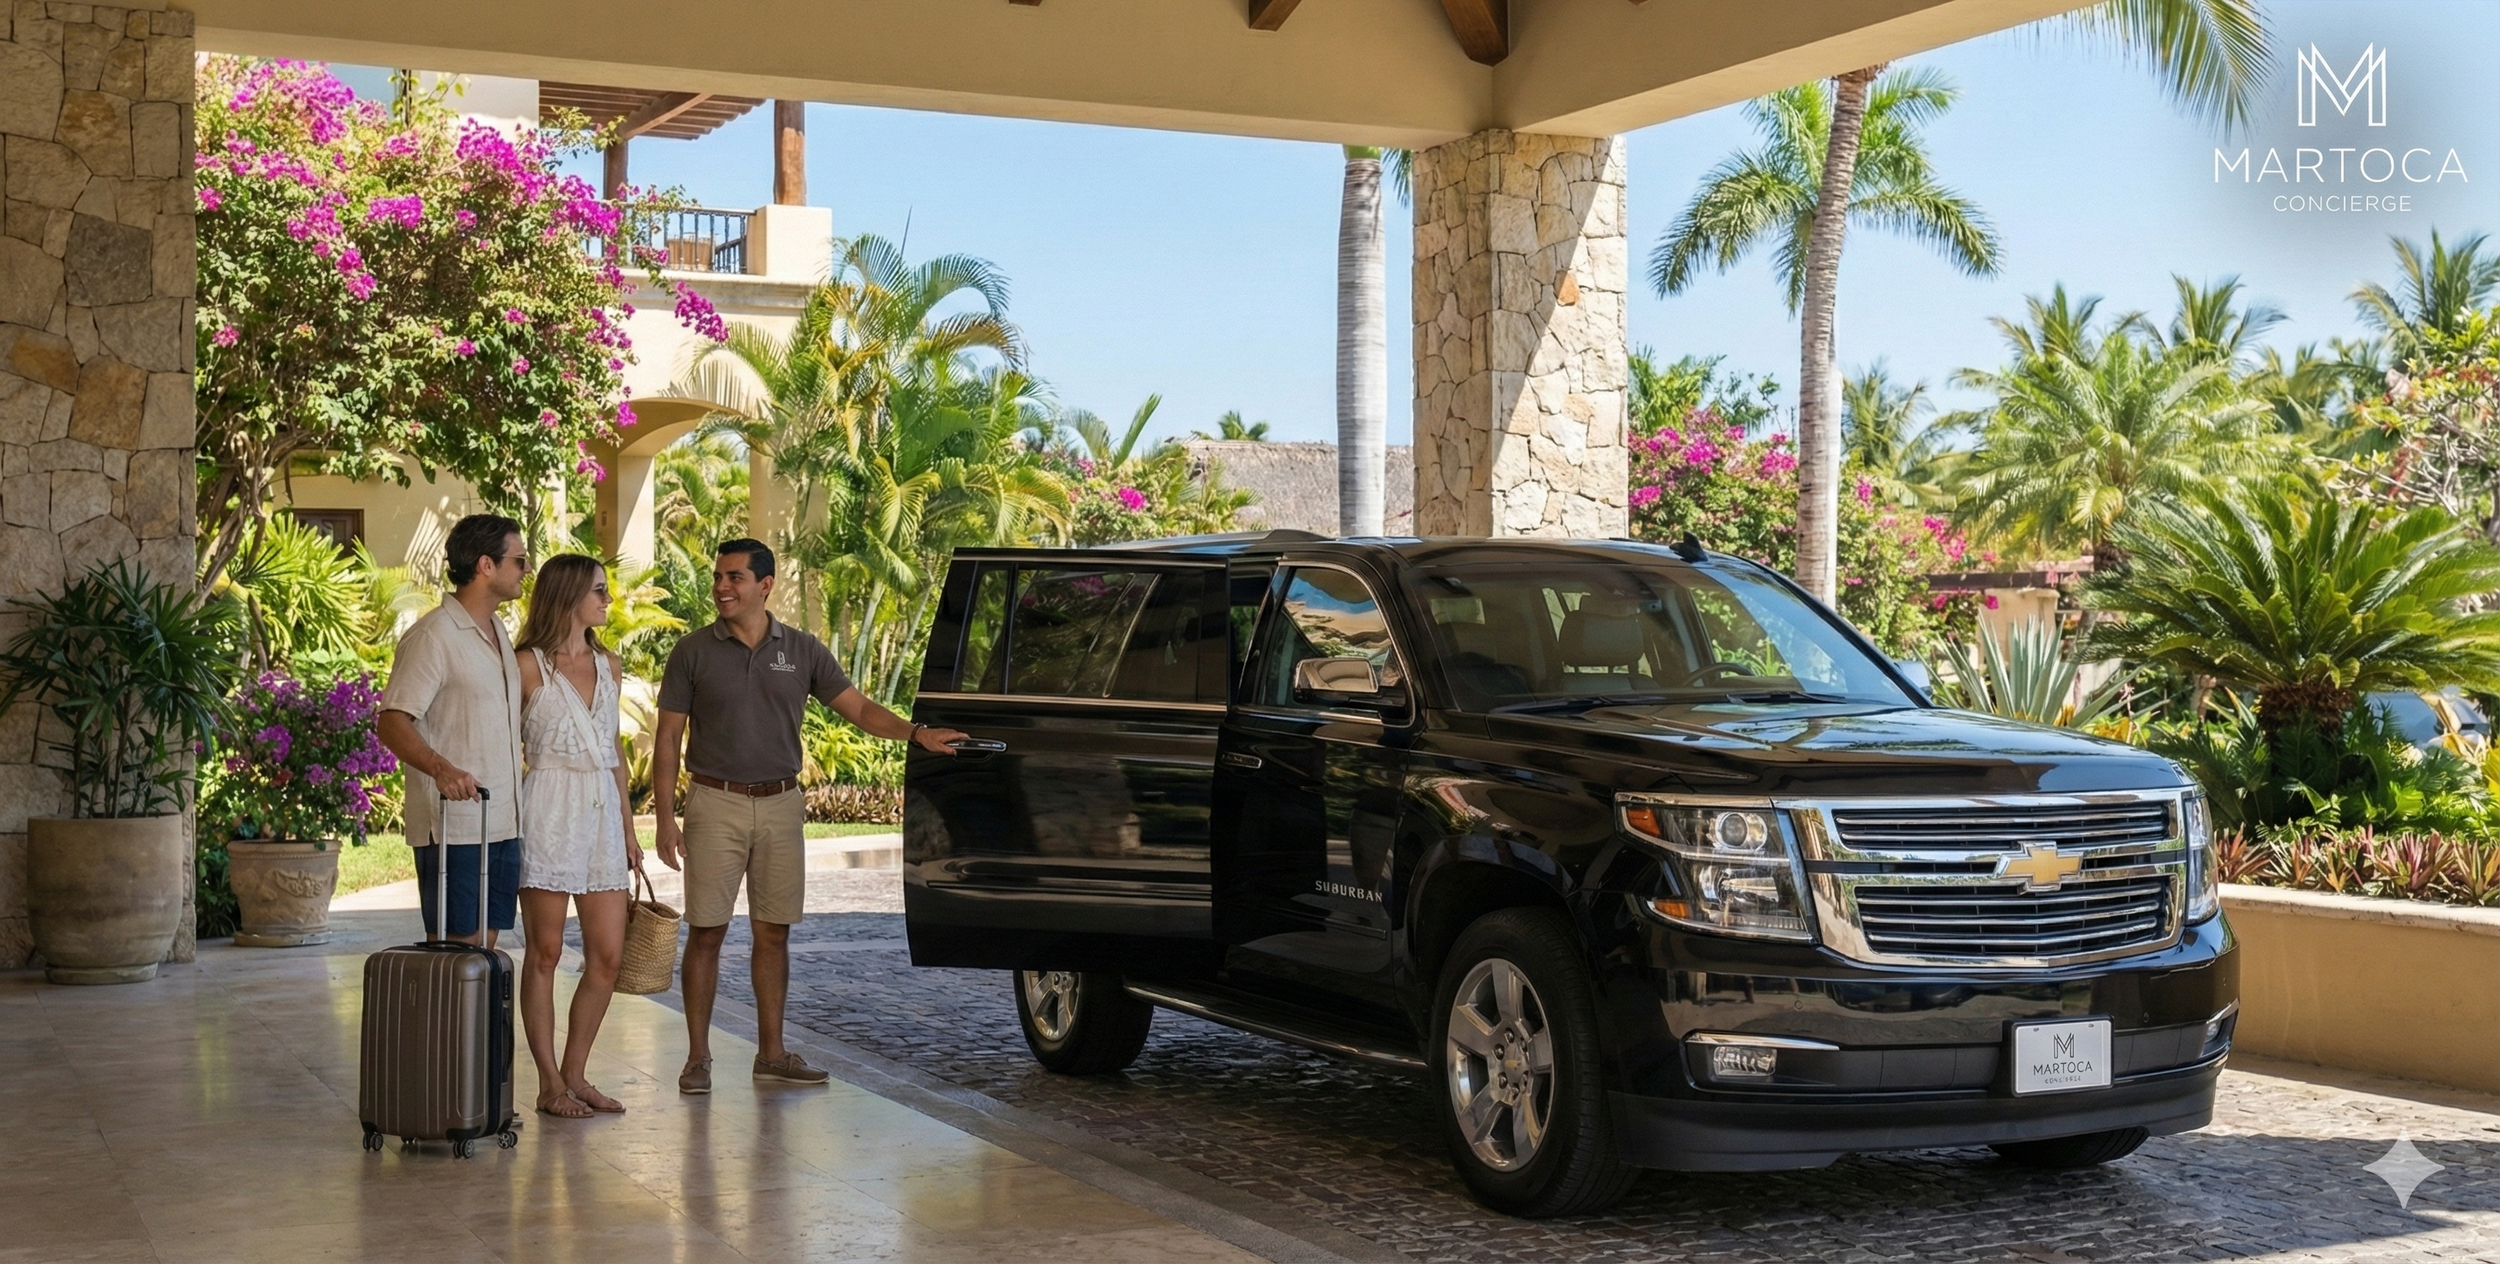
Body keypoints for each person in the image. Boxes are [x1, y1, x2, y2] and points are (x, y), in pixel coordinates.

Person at [653, 539, 967, 1093]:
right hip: (714, 801)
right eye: (718, 577)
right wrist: (664, 819)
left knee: (774, 933)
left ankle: (771, 1055)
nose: (721, 587)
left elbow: (860, 708)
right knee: (707, 932)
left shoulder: (801, 650)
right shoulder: (692, 652)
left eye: (734, 578)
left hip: (781, 804)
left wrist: (918, 735)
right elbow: (668, 738)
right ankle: (697, 1057)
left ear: (765, 585)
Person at [512, 555, 641, 1119]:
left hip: (601, 818)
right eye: (598, 591)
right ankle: (547, 1084)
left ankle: (576, 1073)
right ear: (567, 597)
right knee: (544, 952)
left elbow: (613, 754)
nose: (608, 600)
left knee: (607, 956)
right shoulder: (526, 666)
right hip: (547, 811)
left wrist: (630, 829)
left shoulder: (609, 663)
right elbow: (500, 744)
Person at [379, 514, 528, 949]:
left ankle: (477, 1023)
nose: (526, 569)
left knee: (483, 954)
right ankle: (449, 1023)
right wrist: (441, 769)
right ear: (486, 565)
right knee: (454, 955)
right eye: (519, 561)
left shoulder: (498, 630)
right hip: (455, 827)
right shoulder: (433, 636)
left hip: (501, 822)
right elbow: (391, 720)